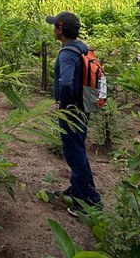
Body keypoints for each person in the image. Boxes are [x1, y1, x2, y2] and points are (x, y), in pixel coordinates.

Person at [45, 11, 101, 215]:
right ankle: (77, 191)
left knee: (74, 152)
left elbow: (67, 83)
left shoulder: (67, 53)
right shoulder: (81, 47)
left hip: (72, 109)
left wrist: (62, 104)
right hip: (84, 106)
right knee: (76, 148)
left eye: (54, 26)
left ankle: (91, 200)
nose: (53, 29)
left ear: (60, 29)